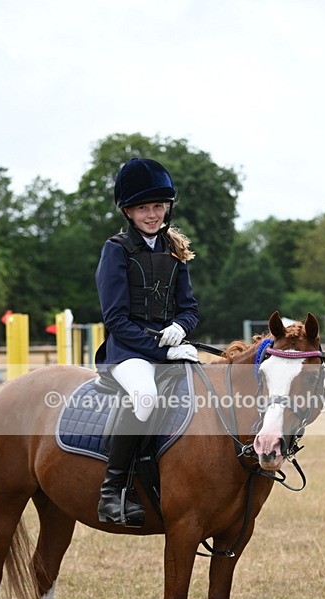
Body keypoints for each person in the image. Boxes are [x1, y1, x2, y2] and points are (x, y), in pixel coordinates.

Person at [95, 157, 200, 526]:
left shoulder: (173, 249)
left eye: (158, 206)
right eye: (143, 208)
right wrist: (162, 349)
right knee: (145, 396)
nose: (152, 215)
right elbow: (116, 320)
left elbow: (189, 308)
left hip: (169, 347)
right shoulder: (116, 249)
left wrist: (181, 328)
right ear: (128, 211)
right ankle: (112, 491)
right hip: (127, 352)